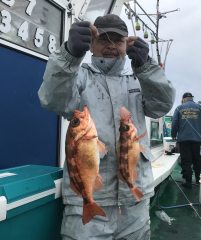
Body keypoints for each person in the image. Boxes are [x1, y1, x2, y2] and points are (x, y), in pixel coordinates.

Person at [38, 14, 175, 240]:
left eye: (118, 40)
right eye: (103, 39)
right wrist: (68, 55)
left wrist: (147, 67)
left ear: (126, 44)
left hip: (135, 202)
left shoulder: (138, 78)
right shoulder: (77, 76)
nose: (111, 45)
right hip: (87, 200)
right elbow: (53, 100)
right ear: (91, 45)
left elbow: (161, 106)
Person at [171, 92, 201, 189]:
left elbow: (175, 123)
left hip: (184, 139)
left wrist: (173, 135)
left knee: (186, 160)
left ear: (183, 99)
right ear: (192, 98)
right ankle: (198, 180)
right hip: (197, 139)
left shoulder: (179, 108)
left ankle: (188, 183)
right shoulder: (200, 108)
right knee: (197, 158)